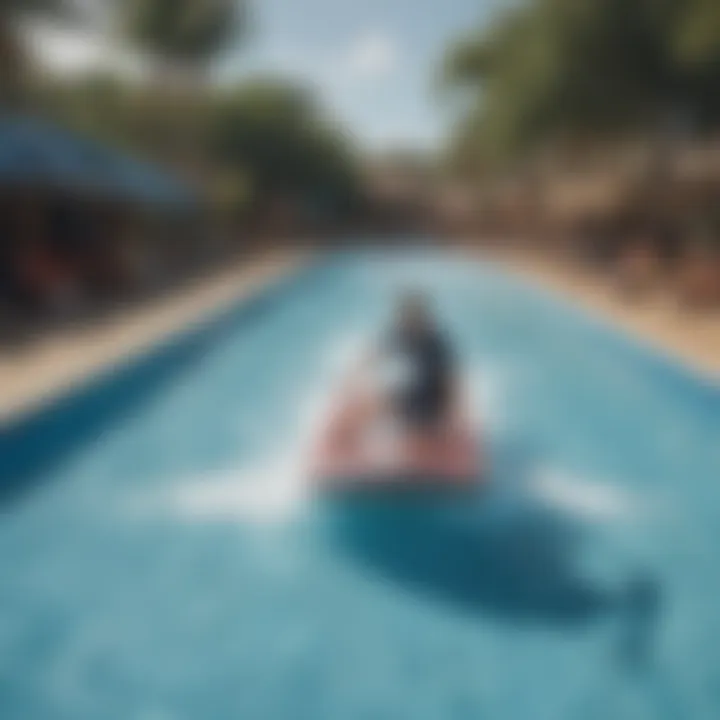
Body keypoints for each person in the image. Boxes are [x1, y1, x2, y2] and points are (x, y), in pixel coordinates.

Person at [377, 291, 458, 432]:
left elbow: (448, 379)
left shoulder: (434, 344)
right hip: (410, 400)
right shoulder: (400, 334)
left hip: (428, 404)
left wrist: (448, 413)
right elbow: (378, 353)